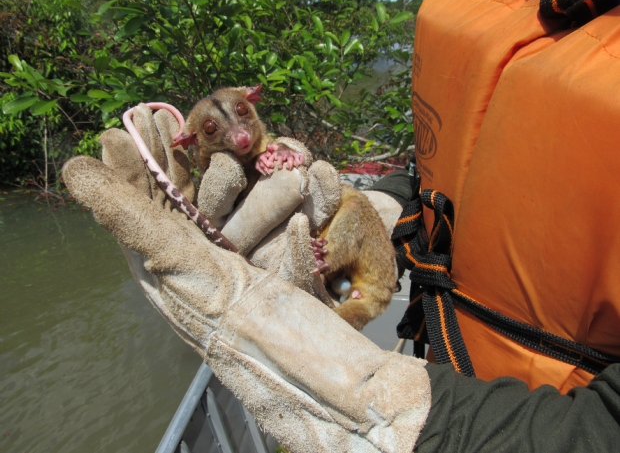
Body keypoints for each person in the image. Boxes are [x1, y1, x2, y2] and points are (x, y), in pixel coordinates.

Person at [63, 103, 620, 452]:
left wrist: (412, 421)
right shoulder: (472, 9)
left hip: (501, 409)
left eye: (244, 122)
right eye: (218, 128)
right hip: (445, 340)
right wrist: (388, 209)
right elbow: (435, 177)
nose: (237, 135)